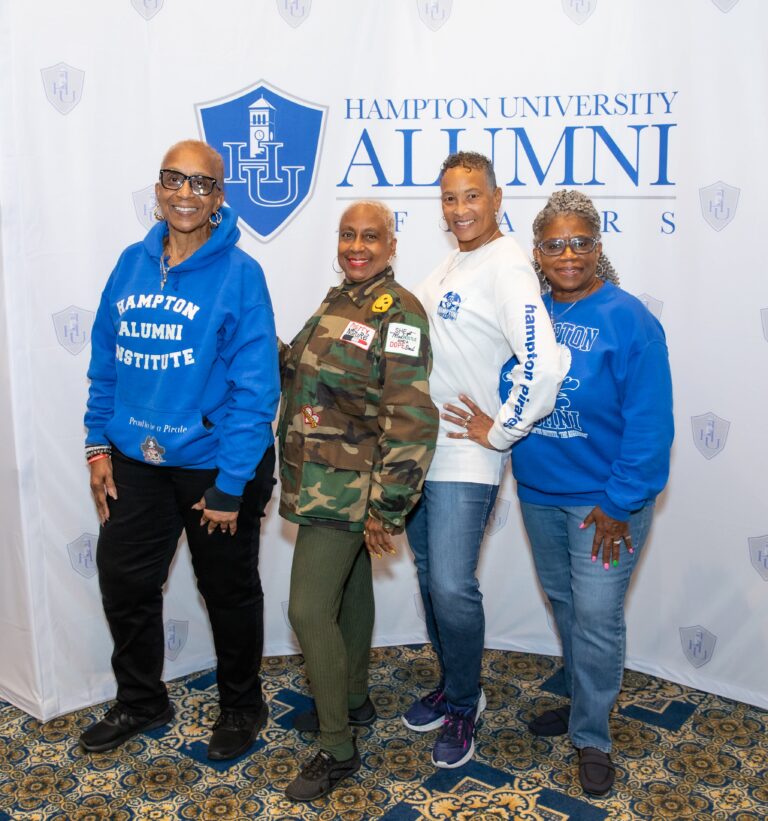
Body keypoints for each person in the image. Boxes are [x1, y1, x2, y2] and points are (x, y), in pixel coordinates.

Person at [81, 140, 279, 761]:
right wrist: (97, 443)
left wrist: (231, 484)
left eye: (200, 183)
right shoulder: (130, 263)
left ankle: (242, 705)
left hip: (216, 464)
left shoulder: (241, 274)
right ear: (158, 188)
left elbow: (256, 390)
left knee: (228, 591)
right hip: (136, 461)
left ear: (219, 197)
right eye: (173, 179)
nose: (184, 193)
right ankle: (141, 699)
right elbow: (106, 363)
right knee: (124, 581)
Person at [499, 190, 672, 796]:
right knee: (566, 606)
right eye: (555, 245)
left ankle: (592, 735)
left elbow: (650, 425)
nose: (568, 255)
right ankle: (581, 701)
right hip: (539, 493)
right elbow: (510, 386)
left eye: (581, 242)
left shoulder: (630, 320)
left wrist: (620, 504)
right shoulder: (530, 315)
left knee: (596, 617)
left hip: (604, 503)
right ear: (538, 252)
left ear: (598, 246)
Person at [402, 152, 568, 769]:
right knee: (429, 577)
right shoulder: (452, 262)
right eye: (450, 197)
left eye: (472, 195)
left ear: (497, 199)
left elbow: (543, 364)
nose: (460, 208)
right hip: (420, 447)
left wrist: (500, 431)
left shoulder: (507, 266)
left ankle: (464, 704)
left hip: (465, 453)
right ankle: (453, 683)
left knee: (451, 585)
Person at [278, 201, 438, 801]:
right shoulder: (340, 299)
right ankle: (352, 699)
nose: (357, 246)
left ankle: (337, 747)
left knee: (307, 611)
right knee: (349, 592)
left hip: (349, 490)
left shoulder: (400, 312)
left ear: (392, 245)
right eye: (348, 235)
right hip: (317, 479)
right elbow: (306, 374)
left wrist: (387, 507)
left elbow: (411, 418)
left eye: (371, 236)